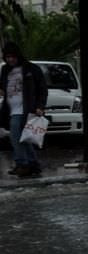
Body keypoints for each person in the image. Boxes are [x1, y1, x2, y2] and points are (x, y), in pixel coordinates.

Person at [0, 42, 47, 177]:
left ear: (18, 56)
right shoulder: (5, 70)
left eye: (12, 57)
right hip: (10, 108)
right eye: (7, 57)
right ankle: (33, 164)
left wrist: (40, 106)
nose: (10, 59)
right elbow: (2, 84)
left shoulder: (31, 69)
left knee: (15, 137)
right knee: (24, 138)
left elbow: (42, 89)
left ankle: (22, 164)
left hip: (25, 109)